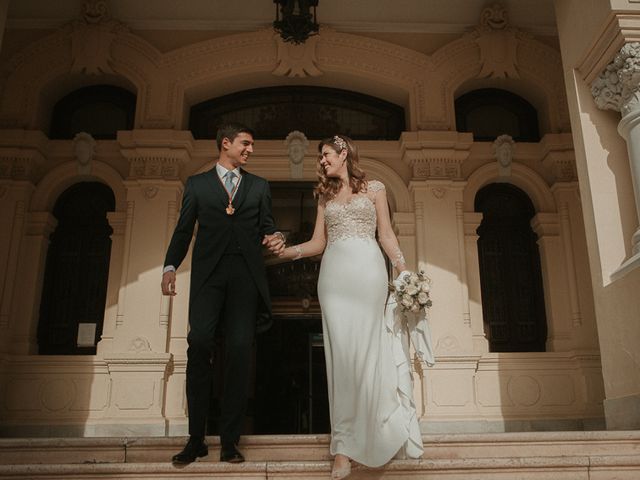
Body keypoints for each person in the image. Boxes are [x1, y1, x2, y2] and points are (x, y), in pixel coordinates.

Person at [278, 135, 425, 479]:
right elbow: (318, 242)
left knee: (369, 355)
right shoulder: (325, 195)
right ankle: (343, 447)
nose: (323, 161)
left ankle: (373, 431)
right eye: (321, 157)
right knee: (341, 361)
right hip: (333, 281)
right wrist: (288, 252)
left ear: (344, 153)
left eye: (326, 154)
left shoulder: (375, 188)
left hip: (368, 274)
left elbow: (385, 235)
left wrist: (405, 275)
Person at [161, 123, 285, 465]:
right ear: (226, 143)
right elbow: (184, 229)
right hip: (208, 277)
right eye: (245, 143)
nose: (250, 150)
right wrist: (170, 266)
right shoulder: (198, 185)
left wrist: (275, 237)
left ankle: (230, 441)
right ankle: (196, 438)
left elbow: (268, 226)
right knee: (199, 342)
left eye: (252, 145)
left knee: (239, 351)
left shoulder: (259, 187)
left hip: (245, 277)